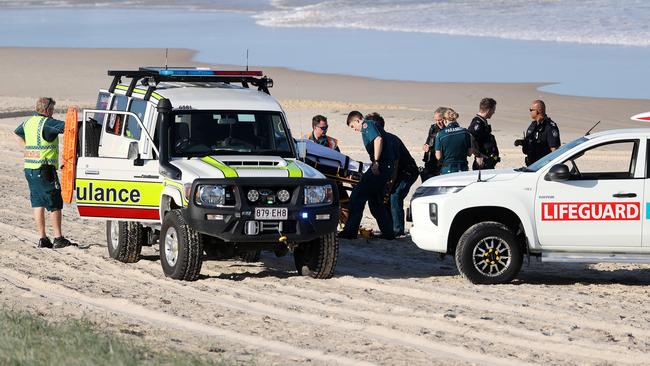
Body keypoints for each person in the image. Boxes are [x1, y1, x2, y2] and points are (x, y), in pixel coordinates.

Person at [14, 97, 73, 249]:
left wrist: (27, 149)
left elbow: (17, 133)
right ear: (46, 110)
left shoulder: (28, 122)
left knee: (38, 202)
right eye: (52, 109)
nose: (53, 113)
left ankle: (43, 238)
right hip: (45, 169)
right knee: (54, 203)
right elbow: (69, 127)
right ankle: (58, 238)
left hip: (30, 169)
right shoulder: (47, 123)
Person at [338, 111, 395, 240]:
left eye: (353, 126)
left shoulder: (367, 126)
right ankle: (388, 233)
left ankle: (350, 232)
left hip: (380, 166)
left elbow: (378, 140)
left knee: (357, 196)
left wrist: (375, 162)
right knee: (375, 202)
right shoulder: (371, 126)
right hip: (386, 167)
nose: (354, 130)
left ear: (358, 120)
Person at [365, 112, 418, 237]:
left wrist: (389, 184)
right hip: (394, 173)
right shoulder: (375, 140)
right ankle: (388, 229)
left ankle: (397, 230)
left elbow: (395, 165)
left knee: (395, 195)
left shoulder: (389, 139)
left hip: (407, 172)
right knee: (385, 198)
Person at [514, 100, 561, 166]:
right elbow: (529, 144)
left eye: (531, 110)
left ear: (538, 111)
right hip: (531, 165)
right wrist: (522, 142)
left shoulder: (549, 127)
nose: (530, 111)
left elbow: (555, 151)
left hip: (543, 167)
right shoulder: (533, 125)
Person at [435, 108, 472, 174]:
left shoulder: (440, 134)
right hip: (463, 167)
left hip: (447, 168)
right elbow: (469, 153)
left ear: (445, 120)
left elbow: (438, 156)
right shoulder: (466, 132)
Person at [468, 98, 500, 170]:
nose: (494, 112)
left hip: (488, 160)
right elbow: (470, 139)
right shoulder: (477, 124)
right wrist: (478, 155)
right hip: (482, 163)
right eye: (493, 110)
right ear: (488, 110)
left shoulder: (483, 122)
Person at [421, 107, 447, 181]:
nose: (438, 122)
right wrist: (425, 146)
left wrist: (443, 130)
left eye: (440, 120)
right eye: (436, 120)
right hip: (430, 160)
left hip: (441, 162)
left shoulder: (448, 130)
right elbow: (428, 140)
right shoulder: (433, 128)